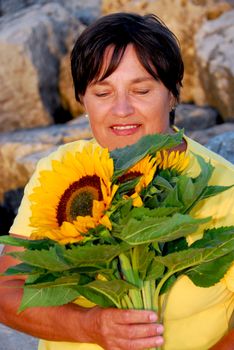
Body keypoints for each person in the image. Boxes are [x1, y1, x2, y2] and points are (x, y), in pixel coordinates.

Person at [0, 12, 233, 350]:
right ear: (83, 101)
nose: (121, 109)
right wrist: (91, 326)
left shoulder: (223, 186)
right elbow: (8, 291)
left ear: (172, 94)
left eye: (140, 89)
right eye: (103, 92)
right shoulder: (63, 173)